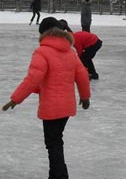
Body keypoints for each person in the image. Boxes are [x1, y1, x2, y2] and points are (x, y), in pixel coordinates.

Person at [2, 17, 90, 179]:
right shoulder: (70, 52)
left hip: (51, 108)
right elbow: (82, 75)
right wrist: (85, 97)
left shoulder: (42, 52)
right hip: (66, 108)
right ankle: (55, 174)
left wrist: (16, 99)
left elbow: (33, 78)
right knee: (56, 140)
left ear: (44, 33)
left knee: (53, 143)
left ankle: (59, 176)